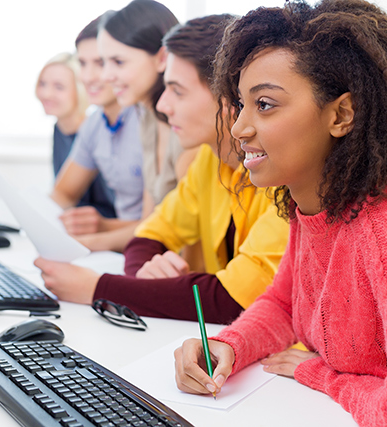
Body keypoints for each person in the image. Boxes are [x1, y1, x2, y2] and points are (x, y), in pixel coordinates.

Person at [174, 2, 387, 425]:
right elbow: (286, 304)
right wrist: (229, 345)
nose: (238, 129)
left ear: (341, 114)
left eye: (265, 104)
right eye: (240, 104)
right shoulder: (312, 200)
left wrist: (320, 375)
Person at [34, 14, 291, 325]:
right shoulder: (210, 162)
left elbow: (230, 299)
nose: (163, 105)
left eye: (177, 91)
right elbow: (147, 234)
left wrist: (96, 288)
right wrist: (145, 272)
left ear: (227, 98)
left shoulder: (284, 176)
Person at [51, 13, 144, 241]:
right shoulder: (94, 123)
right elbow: (63, 194)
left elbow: (163, 223)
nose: (89, 77)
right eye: (82, 64)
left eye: (100, 63)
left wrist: (102, 228)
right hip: (123, 246)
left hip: (149, 246)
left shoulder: (149, 120)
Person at [35, 51, 115, 218]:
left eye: (59, 87)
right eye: (43, 84)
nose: (47, 94)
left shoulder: (93, 132)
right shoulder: (59, 129)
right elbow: (62, 196)